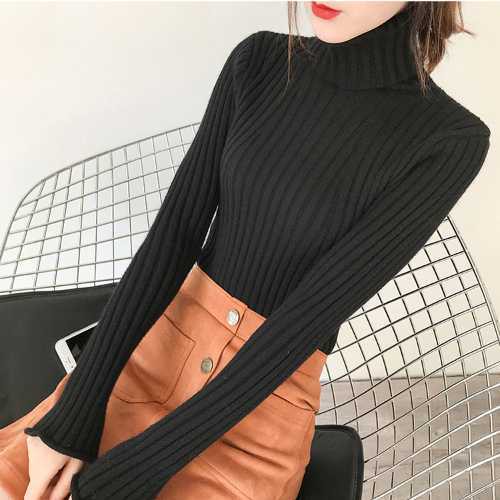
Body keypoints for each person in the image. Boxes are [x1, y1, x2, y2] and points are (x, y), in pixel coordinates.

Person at [0, 1, 491, 499]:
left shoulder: (449, 141)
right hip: (152, 354)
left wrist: (133, 474)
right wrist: (75, 413)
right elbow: (172, 238)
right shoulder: (257, 62)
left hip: (254, 415)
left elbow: (303, 323)